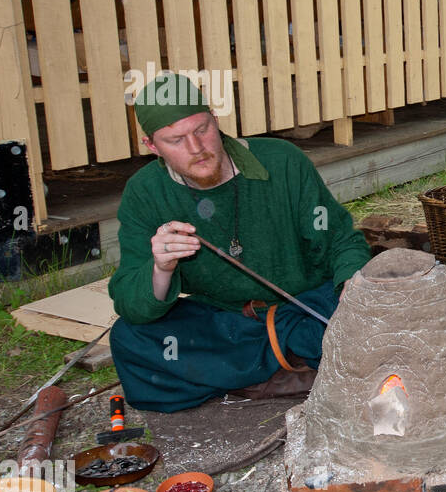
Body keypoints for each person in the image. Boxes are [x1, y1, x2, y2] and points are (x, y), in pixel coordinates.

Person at [108, 73, 372, 412]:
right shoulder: (145, 193)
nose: (196, 148)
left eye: (201, 130)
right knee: (131, 339)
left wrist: (354, 289)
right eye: (175, 140)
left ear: (215, 121)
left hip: (308, 304)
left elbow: (341, 239)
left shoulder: (281, 160)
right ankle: (291, 366)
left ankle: (255, 375)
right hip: (231, 323)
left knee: (375, 317)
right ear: (152, 146)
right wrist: (161, 268)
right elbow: (130, 301)